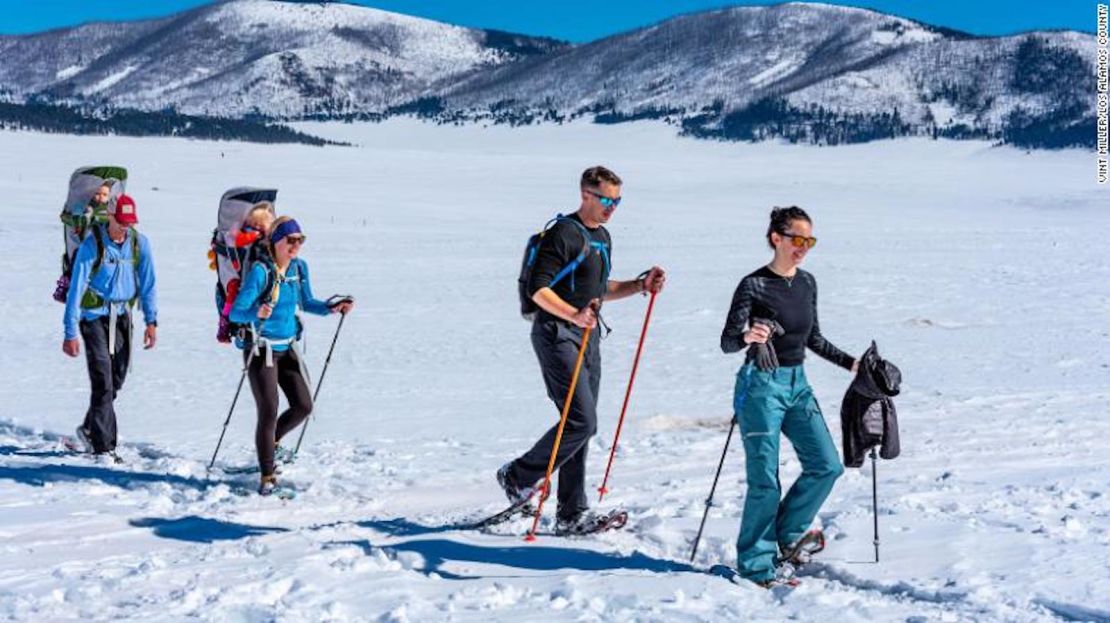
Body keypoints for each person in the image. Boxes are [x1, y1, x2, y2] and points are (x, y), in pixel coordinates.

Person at [498, 166, 666, 535]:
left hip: (588, 337)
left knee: (579, 426)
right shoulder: (563, 233)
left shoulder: (602, 235)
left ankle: (571, 513)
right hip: (556, 333)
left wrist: (641, 285)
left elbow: (600, 287)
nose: (612, 208)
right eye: (606, 199)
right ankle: (518, 475)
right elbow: (538, 291)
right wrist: (572, 313)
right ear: (586, 194)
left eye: (617, 201)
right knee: (581, 420)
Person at [720, 206, 858, 587]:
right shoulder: (754, 285)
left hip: (798, 384)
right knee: (765, 480)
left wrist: (853, 364)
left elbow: (813, 338)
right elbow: (727, 341)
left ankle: (785, 535)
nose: (804, 248)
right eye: (797, 240)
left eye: (809, 241)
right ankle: (756, 565)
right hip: (760, 385)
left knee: (827, 465)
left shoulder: (808, 282)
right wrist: (748, 337)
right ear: (776, 238)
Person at [229, 216, 353, 495]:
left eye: (300, 240)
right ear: (277, 242)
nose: (296, 245)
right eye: (291, 240)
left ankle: (269, 445)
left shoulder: (299, 268)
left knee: (303, 406)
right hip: (261, 349)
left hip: (288, 348)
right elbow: (237, 312)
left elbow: (307, 302)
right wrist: (255, 313)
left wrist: (332, 308)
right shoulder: (261, 271)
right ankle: (267, 475)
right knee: (269, 410)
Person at [62, 193, 157, 461]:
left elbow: (148, 284)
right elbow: (76, 289)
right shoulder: (92, 246)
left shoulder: (140, 244)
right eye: (121, 221)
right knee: (102, 380)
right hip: (93, 318)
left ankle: (90, 428)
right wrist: (70, 332)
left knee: (116, 380)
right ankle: (104, 448)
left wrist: (152, 321)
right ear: (110, 216)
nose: (125, 227)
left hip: (123, 318)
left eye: (129, 222)